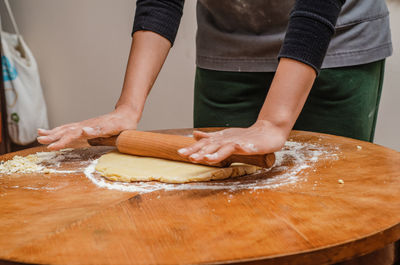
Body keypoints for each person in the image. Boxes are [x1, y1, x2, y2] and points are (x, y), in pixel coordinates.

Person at [37, 0, 392, 165]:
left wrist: (272, 122)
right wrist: (128, 108)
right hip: (228, 44)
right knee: (220, 201)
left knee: (324, 199)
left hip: (335, 43)